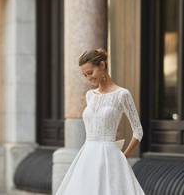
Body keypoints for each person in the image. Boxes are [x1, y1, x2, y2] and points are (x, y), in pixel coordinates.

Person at [55, 48, 145, 195]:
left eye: (90, 73)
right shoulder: (90, 95)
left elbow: (138, 131)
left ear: (102, 65)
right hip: (87, 156)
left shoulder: (122, 94)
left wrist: (124, 155)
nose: (88, 78)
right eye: (84, 75)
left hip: (110, 158)